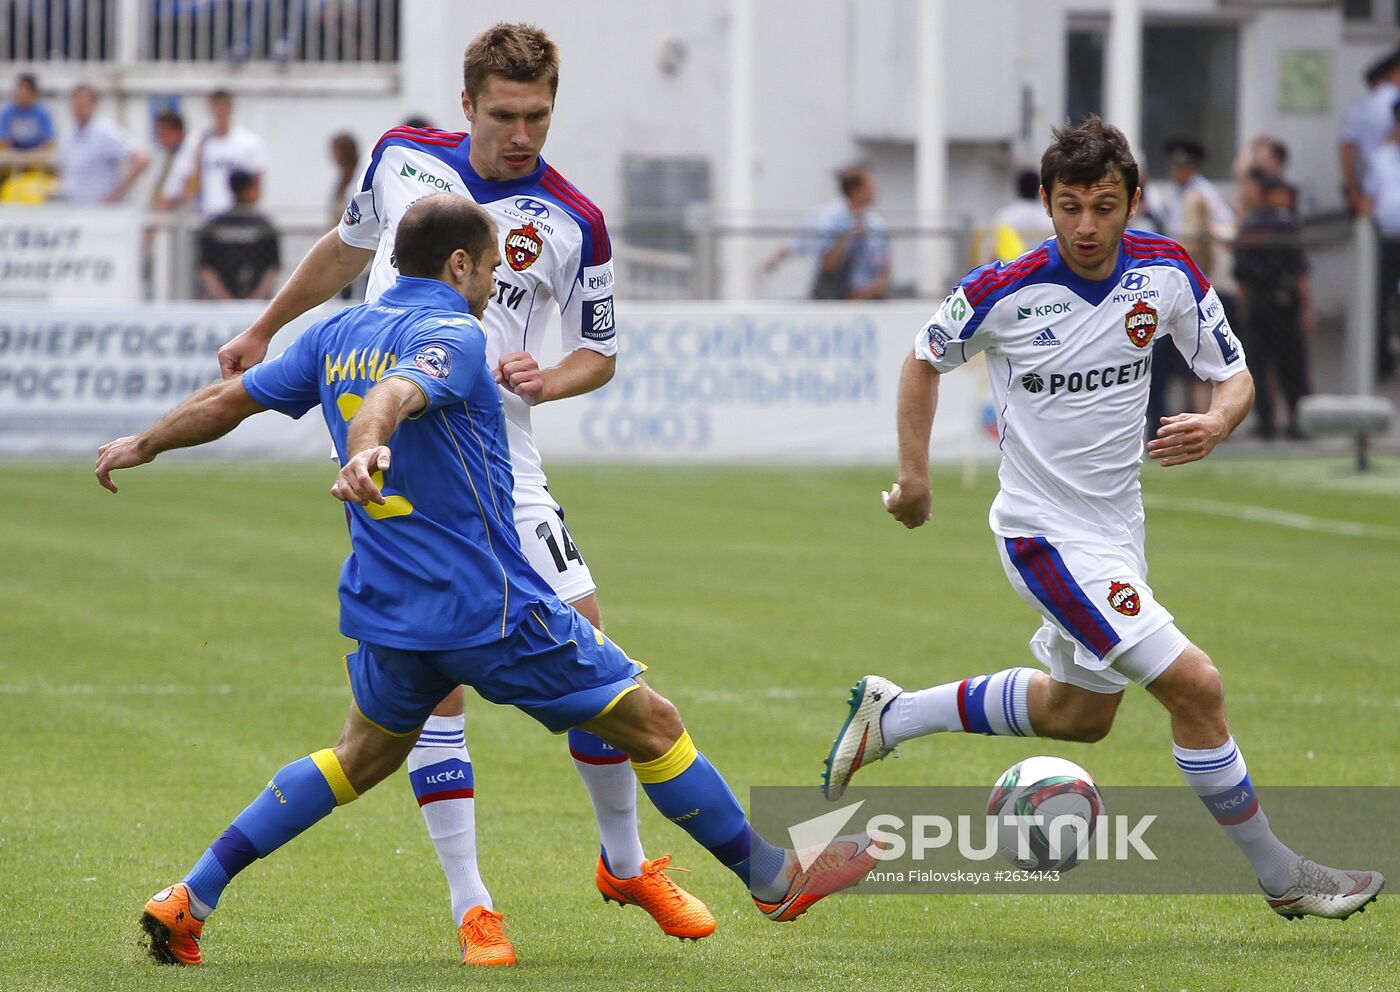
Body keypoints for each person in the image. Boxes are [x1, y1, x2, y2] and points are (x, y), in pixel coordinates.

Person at [94, 194, 875, 967]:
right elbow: (396, 394)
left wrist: (146, 441)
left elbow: (233, 398)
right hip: (491, 612)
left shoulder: (334, 331)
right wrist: (368, 443)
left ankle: (190, 897)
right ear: (459, 264)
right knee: (654, 724)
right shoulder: (453, 334)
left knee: (356, 759)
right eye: (493, 267)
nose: (495, 282)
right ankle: (771, 879)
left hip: (390, 616)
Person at [214, 22, 711, 960]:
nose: (524, 133)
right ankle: (471, 905)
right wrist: (263, 329)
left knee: (599, 655)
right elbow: (341, 252)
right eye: (506, 114)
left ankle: (627, 862)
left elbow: (599, 351)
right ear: (469, 105)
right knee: (433, 686)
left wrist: (547, 380)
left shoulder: (575, 220)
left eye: (540, 114)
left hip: (507, 470)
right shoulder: (402, 162)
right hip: (407, 467)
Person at [823, 117, 1383, 922]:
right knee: (1198, 686)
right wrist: (915, 479)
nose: (1088, 225)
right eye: (1072, 205)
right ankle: (1282, 876)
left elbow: (1235, 378)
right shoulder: (1001, 289)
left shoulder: (1166, 273)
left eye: (1105, 205)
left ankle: (895, 714)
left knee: (1079, 716)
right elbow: (923, 359)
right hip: (1042, 535)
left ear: (1133, 203)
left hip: (1117, 533)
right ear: (1047, 204)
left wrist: (1218, 424)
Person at [1233, 168, 1313, 440]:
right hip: (1285, 301)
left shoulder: (1249, 227)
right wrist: (1307, 308)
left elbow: (1241, 274)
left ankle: (1265, 422)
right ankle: (1298, 420)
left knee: (1257, 363)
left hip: (1258, 301)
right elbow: (1300, 271)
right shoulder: (1287, 225)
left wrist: (1246, 303)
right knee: (1291, 364)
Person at [163, 89, 267, 219]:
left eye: (224, 107)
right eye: (217, 107)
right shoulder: (196, 142)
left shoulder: (249, 143)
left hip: (237, 217)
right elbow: (184, 180)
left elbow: (256, 185)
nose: (220, 112)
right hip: (206, 218)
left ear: (231, 109)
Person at [56, 84, 148, 205]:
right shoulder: (68, 133)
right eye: (75, 102)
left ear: (94, 104)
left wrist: (114, 195)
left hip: (101, 213)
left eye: (82, 103)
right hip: (74, 209)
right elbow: (62, 168)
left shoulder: (105, 131)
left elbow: (142, 160)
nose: (77, 107)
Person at [197, 171, 281, 300]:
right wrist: (256, 299)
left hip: (219, 302)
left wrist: (224, 299)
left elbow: (206, 268)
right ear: (248, 189)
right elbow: (272, 268)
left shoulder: (215, 225)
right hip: (257, 302)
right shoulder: (263, 226)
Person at [1362, 97, 1400, 382]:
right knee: (1379, 298)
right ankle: (1382, 361)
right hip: (1387, 239)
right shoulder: (1382, 156)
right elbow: (1370, 198)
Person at [984, 168, 1055, 263]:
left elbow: (991, 252)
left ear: (1017, 188)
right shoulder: (1049, 217)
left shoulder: (1005, 216)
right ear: (1039, 189)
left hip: (1011, 272)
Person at [0, 73, 54, 153]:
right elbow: (4, 140)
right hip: (13, 155)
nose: (21, 96)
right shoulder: (7, 112)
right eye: (19, 91)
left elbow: (47, 140)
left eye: (25, 92)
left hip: (36, 156)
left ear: (34, 94)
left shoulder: (43, 113)